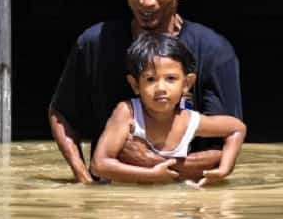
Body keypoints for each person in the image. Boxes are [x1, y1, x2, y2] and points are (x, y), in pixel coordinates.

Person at [49, 0, 242, 184]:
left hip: (188, 202)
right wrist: (84, 179)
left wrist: (148, 162)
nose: (147, 0)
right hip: (113, 202)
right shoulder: (94, 43)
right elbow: (60, 113)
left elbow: (224, 150)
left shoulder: (215, 52)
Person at [91, 33, 245, 186]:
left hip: (173, 205)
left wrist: (225, 168)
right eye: (150, 79)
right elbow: (99, 166)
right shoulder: (128, 113)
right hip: (127, 203)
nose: (161, 88)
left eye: (171, 78)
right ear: (135, 85)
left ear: (187, 84)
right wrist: (151, 175)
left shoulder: (188, 120)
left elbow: (237, 129)